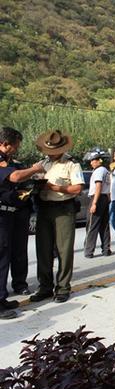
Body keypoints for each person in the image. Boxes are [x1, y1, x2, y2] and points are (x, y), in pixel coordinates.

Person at [29, 129, 84, 304]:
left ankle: (63, 287)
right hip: (44, 208)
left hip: (63, 209)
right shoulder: (42, 163)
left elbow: (77, 189)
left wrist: (55, 188)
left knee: (64, 250)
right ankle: (45, 287)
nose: (50, 154)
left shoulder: (72, 164)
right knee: (43, 249)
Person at [0, 127, 45, 317]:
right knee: (0, 258)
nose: (16, 150)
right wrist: (36, 168)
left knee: (7, 256)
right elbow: (15, 176)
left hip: (10, 215)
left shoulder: (9, 161)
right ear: (5, 144)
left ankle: (2, 298)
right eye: (15, 147)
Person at [83, 148, 111, 258]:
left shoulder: (99, 171)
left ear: (99, 160)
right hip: (104, 198)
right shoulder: (106, 170)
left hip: (97, 197)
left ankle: (89, 251)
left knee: (92, 225)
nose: (91, 162)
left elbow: (98, 186)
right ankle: (106, 249)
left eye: (93, 160)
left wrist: (94, 203)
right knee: (104, 225)